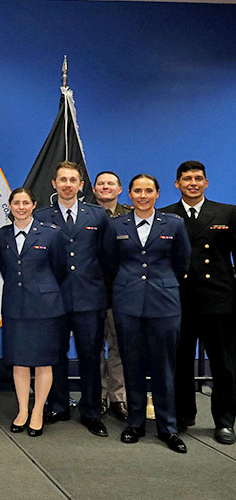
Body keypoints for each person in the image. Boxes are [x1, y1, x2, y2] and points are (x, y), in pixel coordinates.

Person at [106, 174, 191, 453]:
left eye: (148, 190)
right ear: (129, 194)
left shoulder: (174, 224)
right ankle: (136, 423)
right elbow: (109, 262)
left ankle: (168, 428)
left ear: (157, 194)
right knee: (132, 364)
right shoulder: (117, 224)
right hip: (128, 303)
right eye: (137, 190)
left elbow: (182, 262)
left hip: (164, 304)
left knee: (164, 367)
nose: (143, 195)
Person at [160, 161, 236, 445]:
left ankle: (225, 421)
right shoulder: (166, 215)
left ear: (206, 183)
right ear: (177, 184)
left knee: (224, 365)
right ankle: (182, 415)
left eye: (198, 178)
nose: (193, 182)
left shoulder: (227, 213)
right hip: (178, 299)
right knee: (179, 363)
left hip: (218, 299)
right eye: (187, 178)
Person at [34, 162, 110, 437]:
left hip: (90, 299)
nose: (67, 184)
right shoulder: (41, 217)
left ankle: (91, 410)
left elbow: (107, 257)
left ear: (81, 185)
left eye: (73, 180)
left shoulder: (98, 216)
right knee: (55, 355)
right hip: (53, 299)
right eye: (62, 180)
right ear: (53, 184)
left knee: (90, 356)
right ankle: (57, 405)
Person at [0, 188, 65, 437]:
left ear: (34, 205)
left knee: (43, 362)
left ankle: (37, 412)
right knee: (20, 361)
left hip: (45, 307)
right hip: (15, 306)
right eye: (16, 203)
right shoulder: (1, 235)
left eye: (26, 202)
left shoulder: (52, 234)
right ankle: (23, 410)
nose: (21, 207)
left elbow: (60, 268)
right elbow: (6, 268)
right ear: (10, 206)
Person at [93, 171, 131, 422]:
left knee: (119, 347)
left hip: (123, 291)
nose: (105, 187)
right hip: (93, 291)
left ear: (119, 189)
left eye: (110, 184)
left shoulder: (131, 214)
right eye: (101, 184)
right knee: (94, 347)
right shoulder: (85, 214)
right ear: (94, 189)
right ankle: (97, 396)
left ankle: (118, 398)